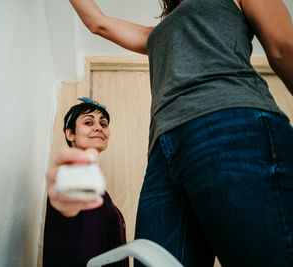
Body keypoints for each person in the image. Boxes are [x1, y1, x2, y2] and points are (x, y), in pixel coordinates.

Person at [68, 0, 293, 266]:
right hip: (164, 152)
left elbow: (283, 48)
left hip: (232, 121)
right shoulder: (158, 33)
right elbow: (98, 23)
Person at [43, 97, 128, 267]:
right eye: (89, 122)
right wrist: (66, 191)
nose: (98, 127)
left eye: (103, 124)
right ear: (70, 133)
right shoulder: (68, 180)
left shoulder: (101, 192)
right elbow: (69, 207)